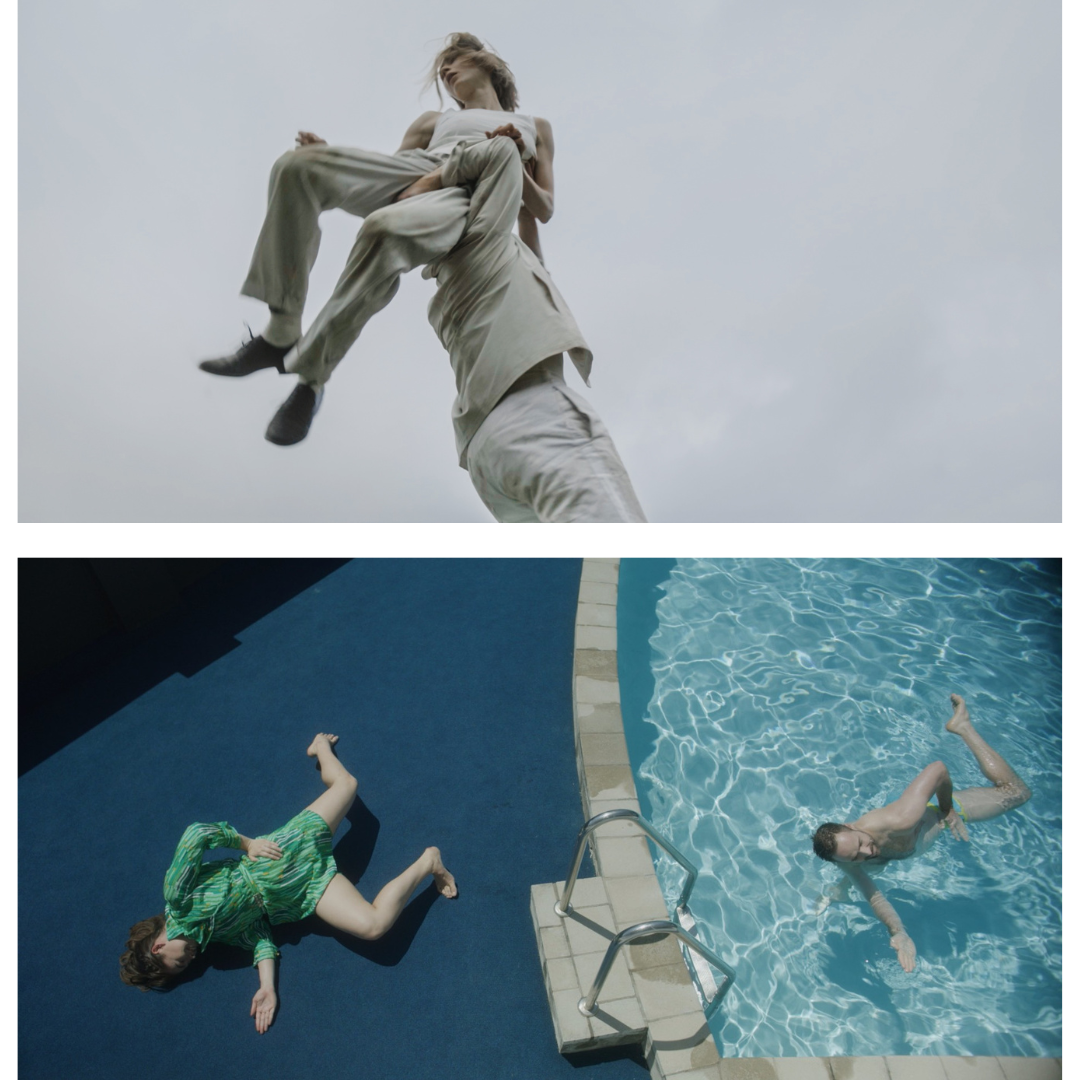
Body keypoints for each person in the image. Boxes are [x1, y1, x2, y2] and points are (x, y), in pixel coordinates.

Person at [198, 33, 555, 447]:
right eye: (443, 68)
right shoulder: (431, 122)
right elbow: (389, 174)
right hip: (419, 174)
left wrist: (514, 164)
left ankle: (311, 379)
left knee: (384, 231)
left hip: (468, 193)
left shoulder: (535, 128)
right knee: (297, 167)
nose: (446, 70)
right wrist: (331, 162)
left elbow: (541, 209)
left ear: (487, 63)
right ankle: (280, 331)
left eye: (454, 61)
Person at [119, 734, 457, 1033]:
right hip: (304, 892)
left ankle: (321, 748)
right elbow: (260, 938)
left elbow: (196, 835)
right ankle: (429, 861)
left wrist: (247, 844)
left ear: (159, 947)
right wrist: (268, 986)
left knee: (348, 787)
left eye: (179, 962)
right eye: (185, 967)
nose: (190, 960)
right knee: (373, 926)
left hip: (285, 850)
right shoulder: (213, 940)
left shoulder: (178, 898)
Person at [395, 128, 647, 521]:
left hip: (485, 450)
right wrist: (512, 161)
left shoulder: (451, 283)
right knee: (619, 565)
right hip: (536, 416)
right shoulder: (484, 243)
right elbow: (516, 197)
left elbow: (532, 254)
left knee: (567, 579)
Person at [811, 694, 1031, 973]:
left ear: (852, 826)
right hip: (909, 840)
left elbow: (938, 769)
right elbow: (876, 898)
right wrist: (898, 933)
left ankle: (962, 726)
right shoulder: (849, 860)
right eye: (855, 856)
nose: (867, 852)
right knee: (867, 874)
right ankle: (839, 888)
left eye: (861, 844)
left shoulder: (900, 819)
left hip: (935, 816)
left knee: (1016, 793)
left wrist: (948, 809)